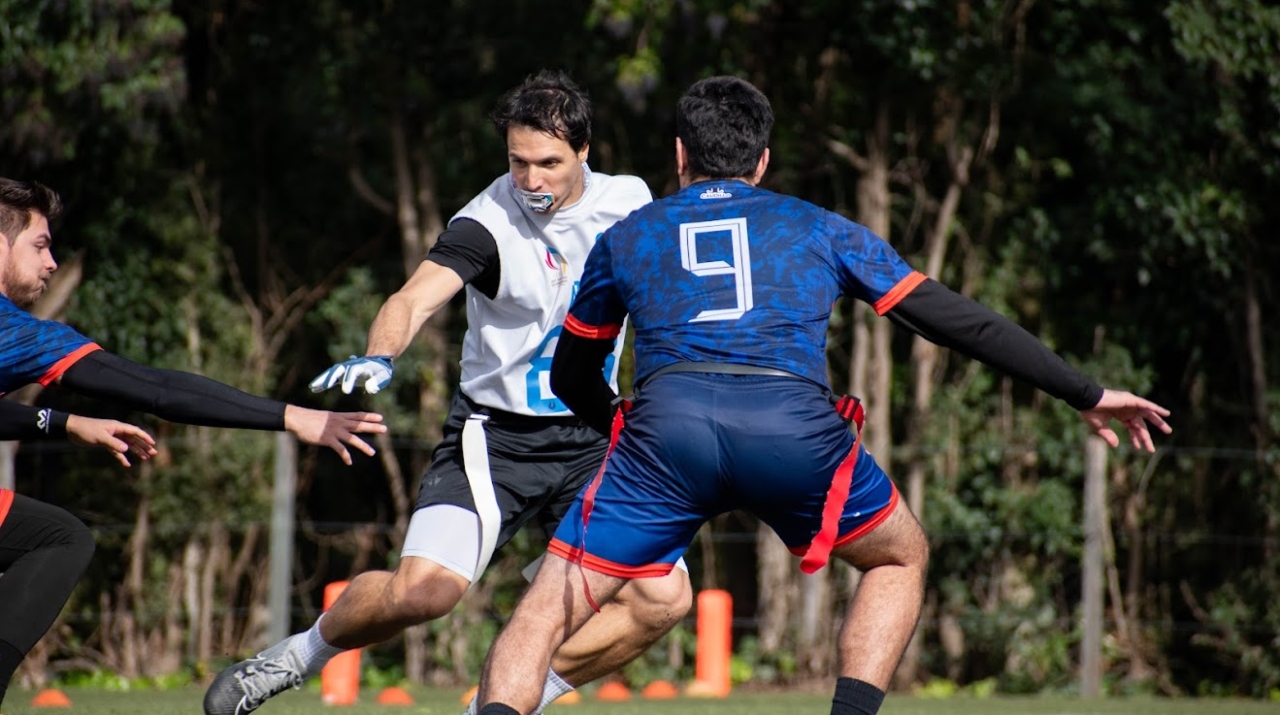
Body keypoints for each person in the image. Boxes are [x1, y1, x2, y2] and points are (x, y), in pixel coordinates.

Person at [472, 76, 1174, 715]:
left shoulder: (629, 236)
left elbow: (573, 376)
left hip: (668, 432)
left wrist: (623, 424)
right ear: (763, 161)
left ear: (680, 156)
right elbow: (955, 319)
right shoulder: (817, 226)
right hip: (790, 427)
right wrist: (1082, 390)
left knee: (544, 607)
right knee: (898, 556)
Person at [204, 70, 691, 715]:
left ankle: (506, 701)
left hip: (591, 438)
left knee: (663, 599)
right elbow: (413, 297)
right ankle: (296, 656)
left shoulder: (629, 201)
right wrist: (380, 354)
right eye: (518, 163)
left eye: (548, 163)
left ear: (584, 153)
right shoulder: (487, 222)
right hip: (494, 439)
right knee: (424, 593)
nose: (531, 180)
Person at [0, 177, 387, 709]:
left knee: (56, 536)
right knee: (60, 540)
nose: (51, 262)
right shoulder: (13, 331)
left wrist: (63, 424)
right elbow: (156, 389)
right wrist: (291, 416)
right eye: (39, 246)